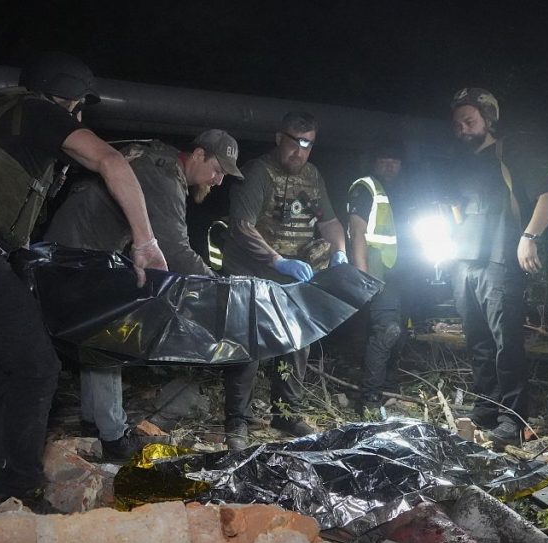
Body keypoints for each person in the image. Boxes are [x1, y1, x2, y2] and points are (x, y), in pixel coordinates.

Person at [0, 52, 168, 512]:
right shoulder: (39, 112)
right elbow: (110, 160)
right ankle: (24, 489)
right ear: (70, 102)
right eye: (78, 109)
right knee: (37, 368)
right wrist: (144, 241)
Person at [45, 129, 259, 454]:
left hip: (71, 247)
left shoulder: (156, 159)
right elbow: (175, 250)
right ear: (198, 155)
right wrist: (221, 288)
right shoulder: (164, 176)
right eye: (217, 170)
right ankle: (114, 437)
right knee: (109, 336)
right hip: (80, 251)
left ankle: (94, 422)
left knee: (93, 338)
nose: (218, 181)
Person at [221, 111, 348, 437]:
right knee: (247, 345)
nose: (300, 152)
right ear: (280, 138)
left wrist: (340, 253)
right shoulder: (257, 173)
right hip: (250, 272)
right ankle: (238, 419)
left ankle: (286, 414)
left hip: (292, 277)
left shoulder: (313, 177)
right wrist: (277, 260)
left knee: (296, 342)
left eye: (308, 145)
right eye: (295, 143)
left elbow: (328, 221)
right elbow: (242, 227)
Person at [446, 87, 548, 445]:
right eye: (458, 124)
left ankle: (513, 419)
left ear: (488, 119)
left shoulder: (511, 152)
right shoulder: (460, 161)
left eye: (469, 121)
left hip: (499, 260)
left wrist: (529, 237)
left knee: (504, 342)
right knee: (477, 340)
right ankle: (485, 407)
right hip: (464, 260)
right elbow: (455, 205)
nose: (462, 129)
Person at [347, 145, 424, 414]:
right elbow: (357, 231)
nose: (390, 165)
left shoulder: (405, 191)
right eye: (384, 159)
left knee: (401, 333)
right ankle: (370, 399)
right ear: (374, 161)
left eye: (395, 160)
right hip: (377, 275)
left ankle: (389, 390)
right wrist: (363, 275)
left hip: (404, 274)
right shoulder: (367, 187)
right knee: (386, 332)